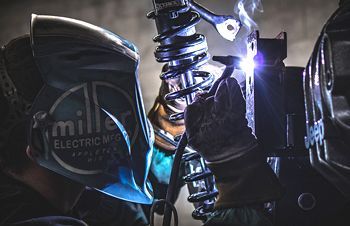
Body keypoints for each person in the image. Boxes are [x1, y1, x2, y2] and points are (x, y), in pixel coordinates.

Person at [0, 14, 154, 226]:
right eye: (89, 115)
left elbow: (131, 207)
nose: (110, 126)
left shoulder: (64, 200)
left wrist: (167, 131)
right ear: (39, 141)